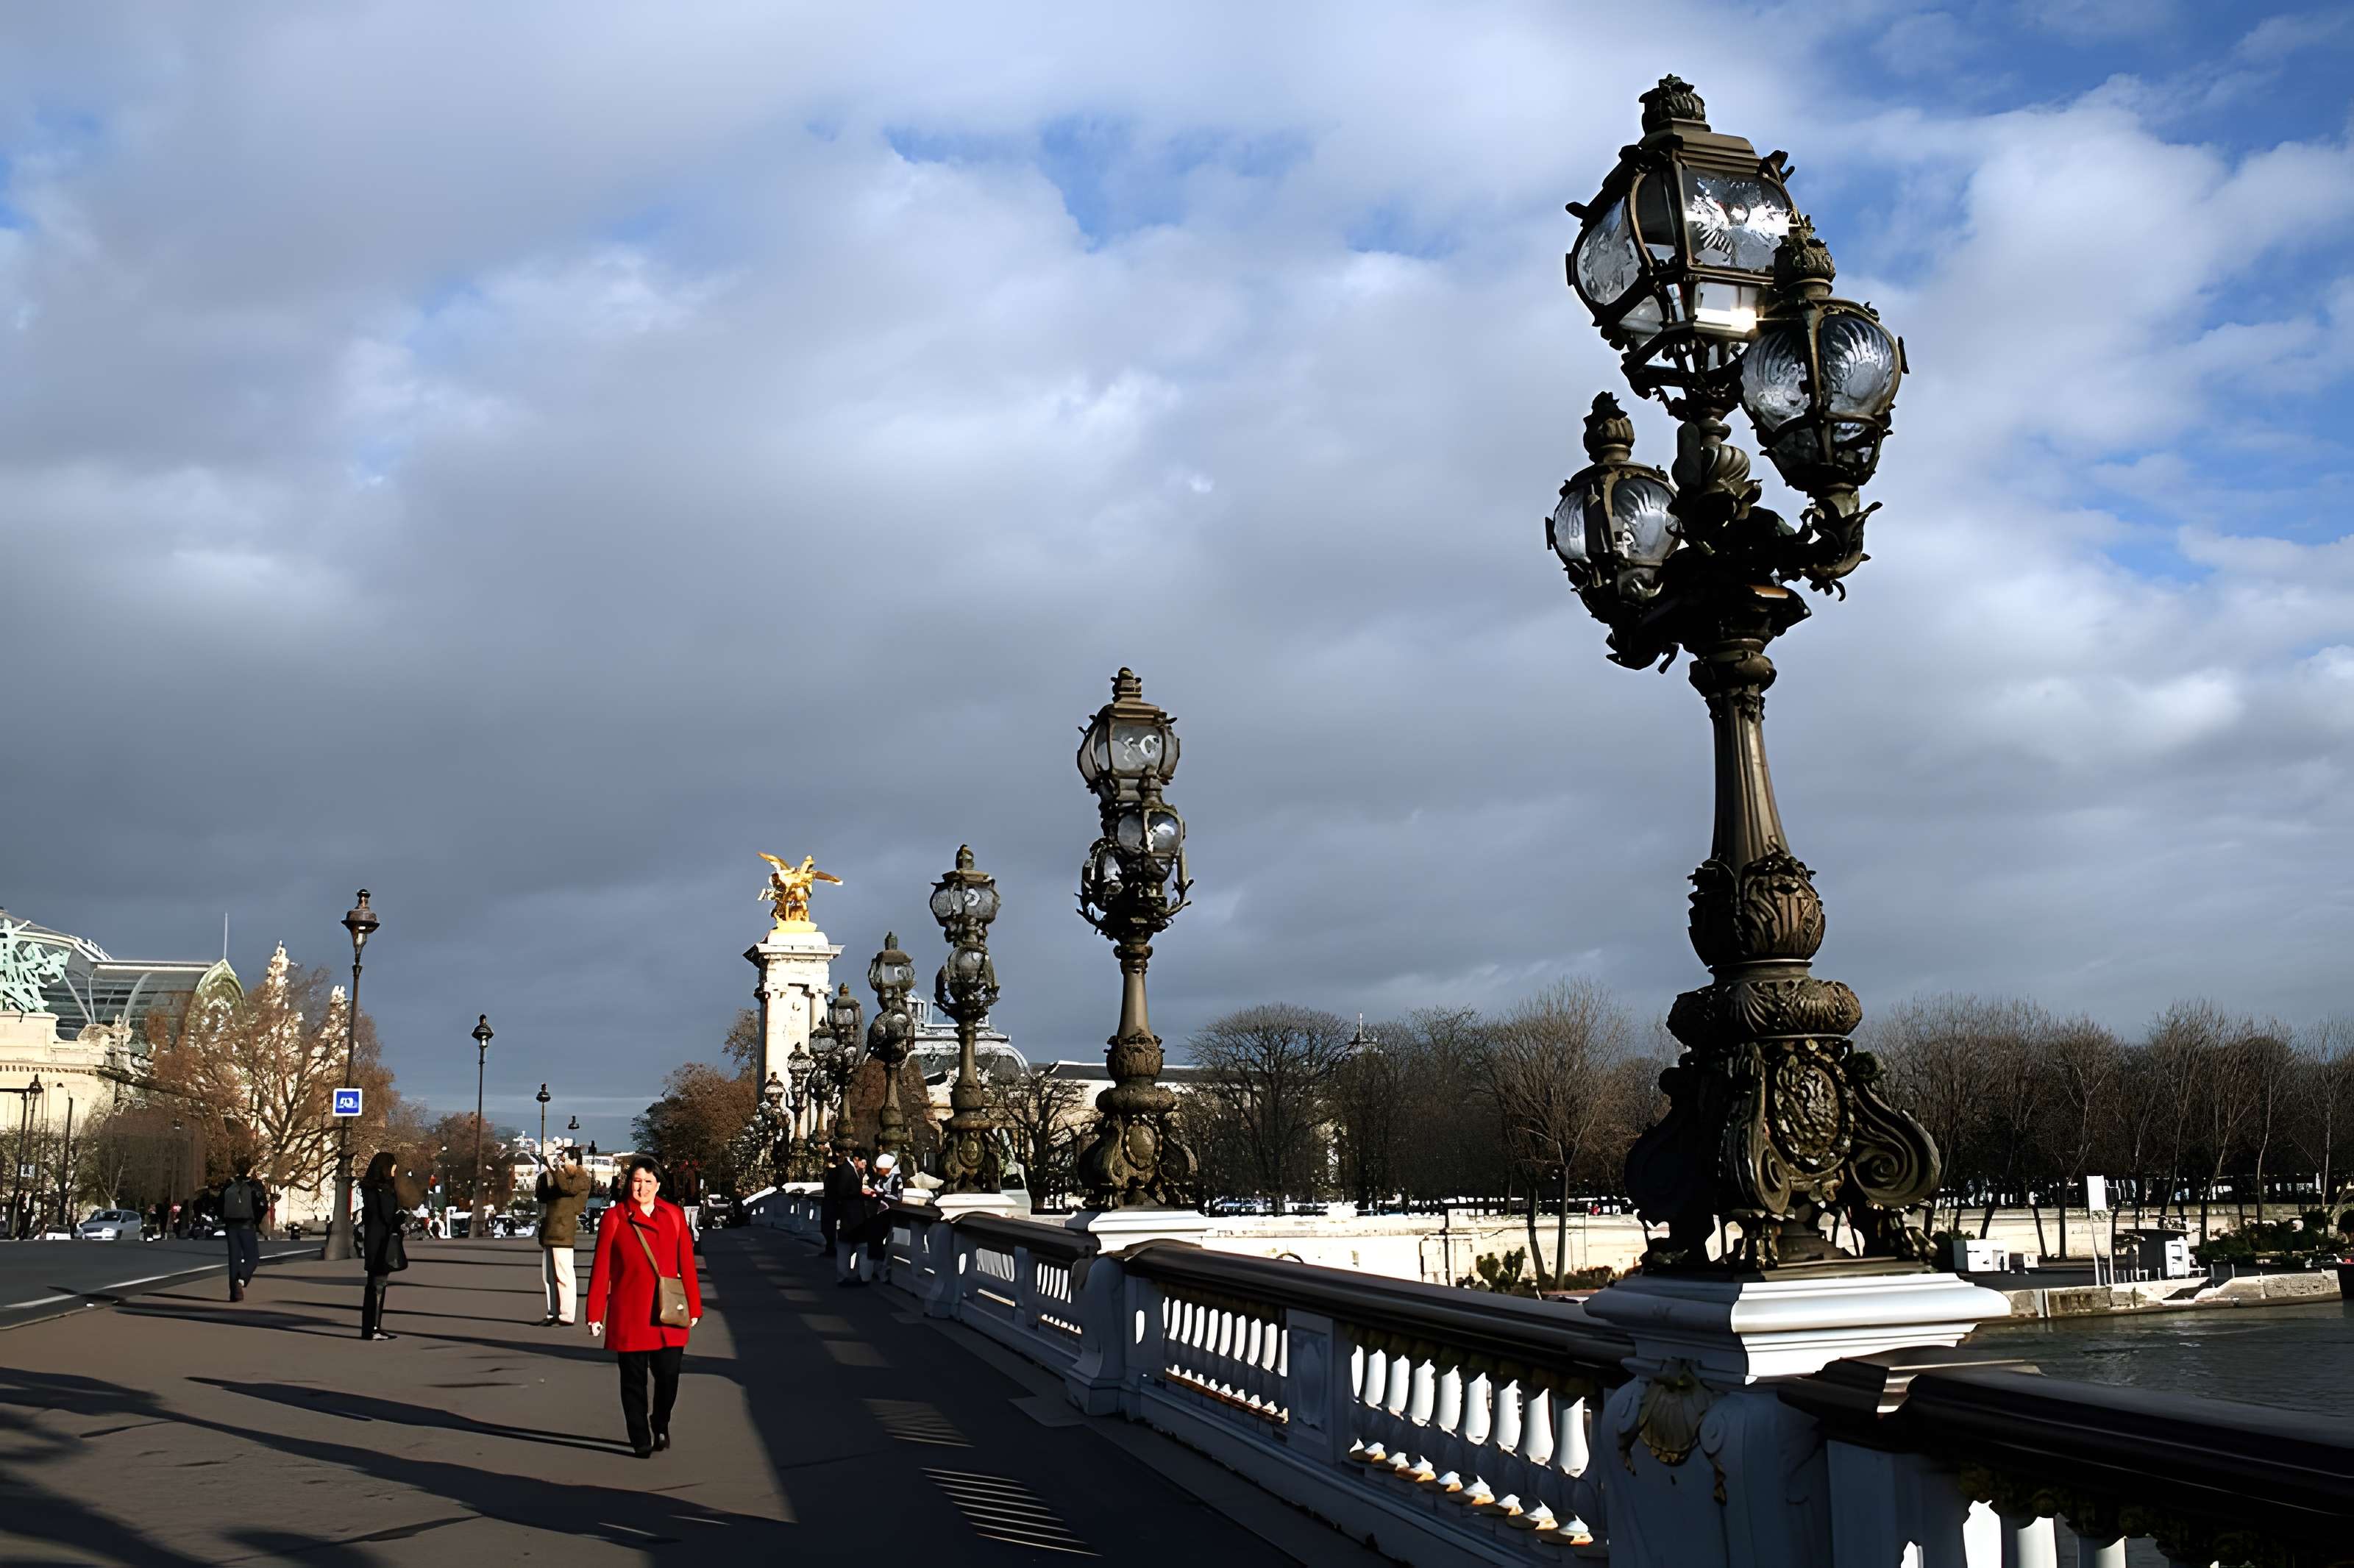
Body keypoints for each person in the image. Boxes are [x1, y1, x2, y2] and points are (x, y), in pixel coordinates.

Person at [584, 1155, 702, 1458]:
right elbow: (602, 1268)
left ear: (658, 1185)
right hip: (630, 1309)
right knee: (633, 1380)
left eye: (649, 1182)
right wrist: (595, 1312)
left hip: (668, 1308)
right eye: (637, 1181)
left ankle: (660, 1421)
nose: (642, 1187)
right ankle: (639, 1436)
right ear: (629, 1184)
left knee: (670, 1375)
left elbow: (687, 1265)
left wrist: (695, 1307)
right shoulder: (615, 1218)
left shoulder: (674, 1216)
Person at [534, 1144, 593, 1326]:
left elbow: (568, 1189)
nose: (560, 1161)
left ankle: (567, 1314)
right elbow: (543, 1196)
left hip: (563, 1230)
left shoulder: (580, 1177)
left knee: (564, 1274)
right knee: (549, 1276)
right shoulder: (558, 1175)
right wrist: (546, 1174)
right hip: (550, 1228)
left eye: (564, 1157)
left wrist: (555, 1169)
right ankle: (553, 1312)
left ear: (575, 1160)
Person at [358, 1150, 410, 1341]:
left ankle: (371, 1327)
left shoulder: (370, 1188)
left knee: (374, 1284)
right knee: (378, 1284)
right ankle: (373, 1328)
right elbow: (386, 1216)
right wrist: (400, 1216)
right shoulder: (382, 1190)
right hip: (382, 1241)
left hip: (375, 1240)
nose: (395, 1170)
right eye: (393, 1166)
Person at [216, 1159, 271, 1302]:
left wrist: (226, 1219)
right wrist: (256, 1221)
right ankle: (241, 1279)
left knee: (233, 1259)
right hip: (247, 1226)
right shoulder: (255, 1186)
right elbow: (262, 1206)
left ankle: (234, 1294)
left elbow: (219, 1205)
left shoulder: (229, 1185)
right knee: (252, 1258)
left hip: (231, 1226)